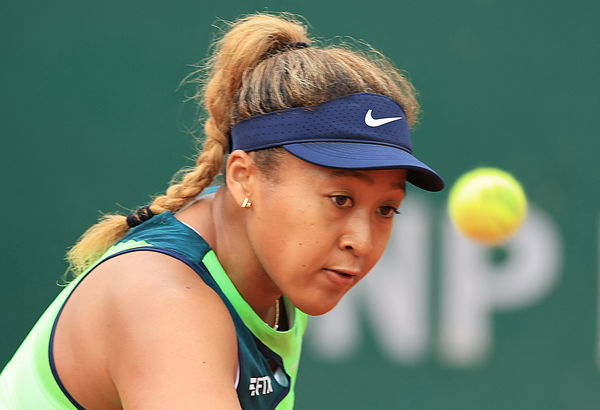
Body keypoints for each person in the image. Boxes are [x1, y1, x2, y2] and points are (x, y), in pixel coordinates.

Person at [0, 12, 444, 410]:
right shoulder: (162, 302)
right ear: (243, 178)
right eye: (340, 200)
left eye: (387, 210)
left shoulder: (280, 266)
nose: (361, 242)